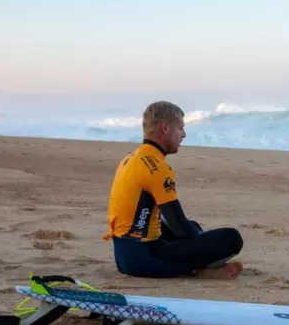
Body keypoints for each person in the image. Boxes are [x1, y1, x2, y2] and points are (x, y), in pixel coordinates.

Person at [103, 101, 244, 278]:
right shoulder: (156, 167)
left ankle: (194, 263)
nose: (183, 134)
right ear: (165, 127)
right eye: (180, 128)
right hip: (145, 260)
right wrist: (203, 244)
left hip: (125, 256)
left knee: (192, 227)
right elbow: (179, 226)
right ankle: (200, 270)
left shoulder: (132, 158)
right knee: (230, 238)